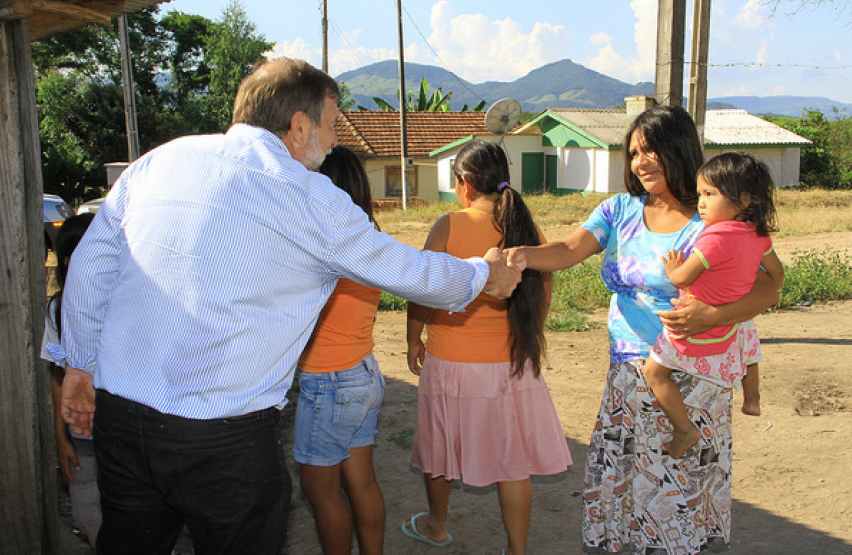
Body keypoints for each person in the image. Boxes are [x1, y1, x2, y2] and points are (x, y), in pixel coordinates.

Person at [59, 58, 521, 555]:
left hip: (122, 419)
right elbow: (407, 270)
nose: (334, 139)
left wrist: (79, 365)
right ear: (299, 126)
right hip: (223, 438)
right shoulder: (305, 195)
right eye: (332, 124)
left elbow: (90, 266)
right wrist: (483, 274)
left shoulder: (161, 160)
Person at [506, 105, 781, 554]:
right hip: (631, 371)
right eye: (633, 153)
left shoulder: (717, 215)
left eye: (651, 149)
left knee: (680, 486)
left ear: (679, 148)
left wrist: (712, 316)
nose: (640, 162)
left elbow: (769, 285)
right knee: (630, 476)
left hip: (698, 373)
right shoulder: (619, 210)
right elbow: (570, 249)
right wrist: (521, 255)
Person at [402, 140, 572, 555]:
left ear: (464, 184)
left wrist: (413, 338)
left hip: (452, 363)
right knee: (512, 461)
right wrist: (527, 338)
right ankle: (517, 548)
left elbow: (423, 289)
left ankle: (436, 525)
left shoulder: (449, 226)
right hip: (512, 364)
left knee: (441, 447)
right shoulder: (527, 230)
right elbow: (543, 291)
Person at [643, 152, 784, 458]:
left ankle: (684, 429)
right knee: (748, 340)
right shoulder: (759, 237)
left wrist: (672, 268)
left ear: (743, 200)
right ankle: (752, 398)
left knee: (654, 372)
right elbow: (777, 275)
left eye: (710, 194)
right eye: (700, 195)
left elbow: (683, 276)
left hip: (694, 325)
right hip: (731, 325)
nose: (702, 203)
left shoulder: (714, 238)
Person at [293, 146, 386, 555]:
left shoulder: (321, 245)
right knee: (361, 482)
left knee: (321, 491)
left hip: (329, 381)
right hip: (363, 373)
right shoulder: (371, 240)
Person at [41, 213, 100, 547]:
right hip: (83, 435)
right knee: (88, 505)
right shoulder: (57, 311)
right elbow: (57, 376)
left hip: (123, 432)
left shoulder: (125, 305)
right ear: (66, 261)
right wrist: (61, 438)